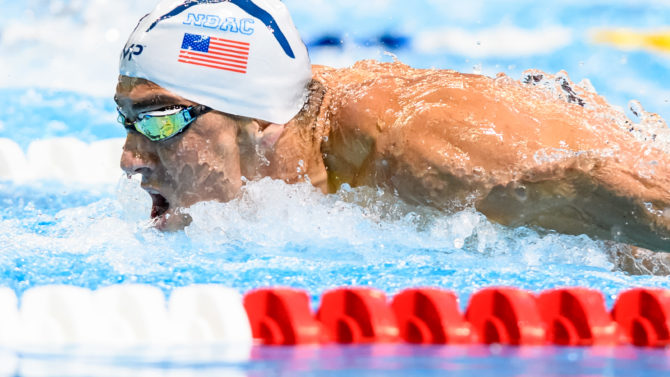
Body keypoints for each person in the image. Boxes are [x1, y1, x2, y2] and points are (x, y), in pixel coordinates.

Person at [115, 0, 670, 265]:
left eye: (158, 119)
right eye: (126, 120)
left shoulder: (428, 158)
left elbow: (639, 195)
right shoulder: (293, 120)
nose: (130, 158)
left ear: (256, 123)